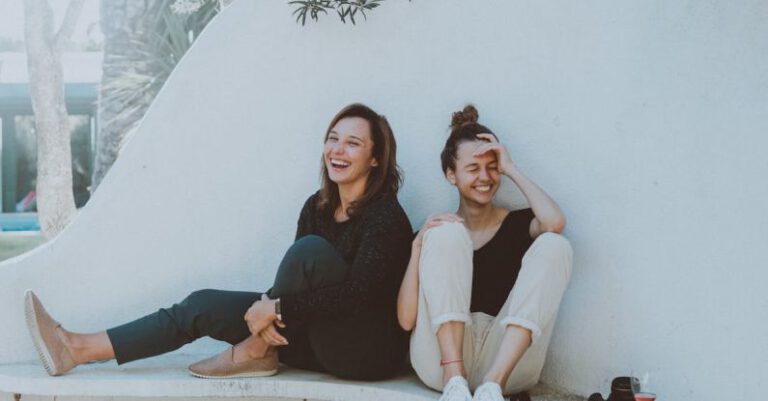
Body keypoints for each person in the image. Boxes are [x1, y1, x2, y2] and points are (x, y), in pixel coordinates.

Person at [25, 103, 413, 381]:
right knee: (201, 304)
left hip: (364, 354)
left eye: (353, 143)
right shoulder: (318, 205)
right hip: (316, 338)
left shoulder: (385, 216)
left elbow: (360, 295)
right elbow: (298, 285)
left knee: (308, 252)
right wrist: (270, 309)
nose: (337, 150)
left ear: (375, 159)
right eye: (333, 138)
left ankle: (256, 351)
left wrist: (275, 306)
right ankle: (76, 348)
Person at [397, 105, 573, 401]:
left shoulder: (519, 224)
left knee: (555, 244)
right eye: (473, 168)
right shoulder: (436, 233)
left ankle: (492, 386)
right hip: (440, 364)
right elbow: (405, 320)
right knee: (447, 232)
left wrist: (511, 168)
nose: (485, 177)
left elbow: (555, 222)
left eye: (492, 167)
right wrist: (417, 248)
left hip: (505, 361)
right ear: (451, 174)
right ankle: (455, 381)